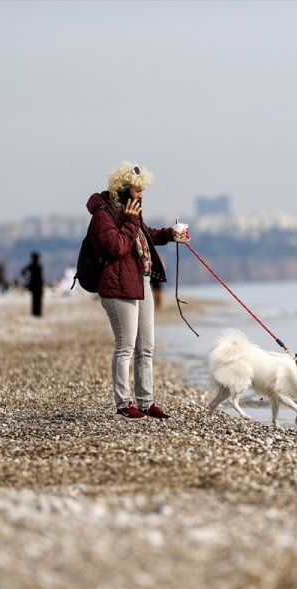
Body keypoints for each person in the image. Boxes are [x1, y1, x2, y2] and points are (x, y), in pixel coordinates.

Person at [87, 161, 190, 420]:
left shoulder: (131, 212)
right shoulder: (104, 215)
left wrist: (171, 234)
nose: (142, 195)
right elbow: (117, 247)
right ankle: (124, 404)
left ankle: (146, 402)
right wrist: (132, 221)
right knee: (126, 346)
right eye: (137, 190)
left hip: (140, 281)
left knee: (146, 347)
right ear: (122, 189)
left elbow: (145, 235)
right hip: (116, 287)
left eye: (143, 189)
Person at [22, 252, 45, 317]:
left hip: (33, 284)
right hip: (38, 285)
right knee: (38, 299)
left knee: (34, 299)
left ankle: (35, 312)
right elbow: (40, 277)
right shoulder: (38, 266)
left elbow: (23, 271)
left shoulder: (31, 265)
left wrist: (27, 279)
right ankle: (38, 313)